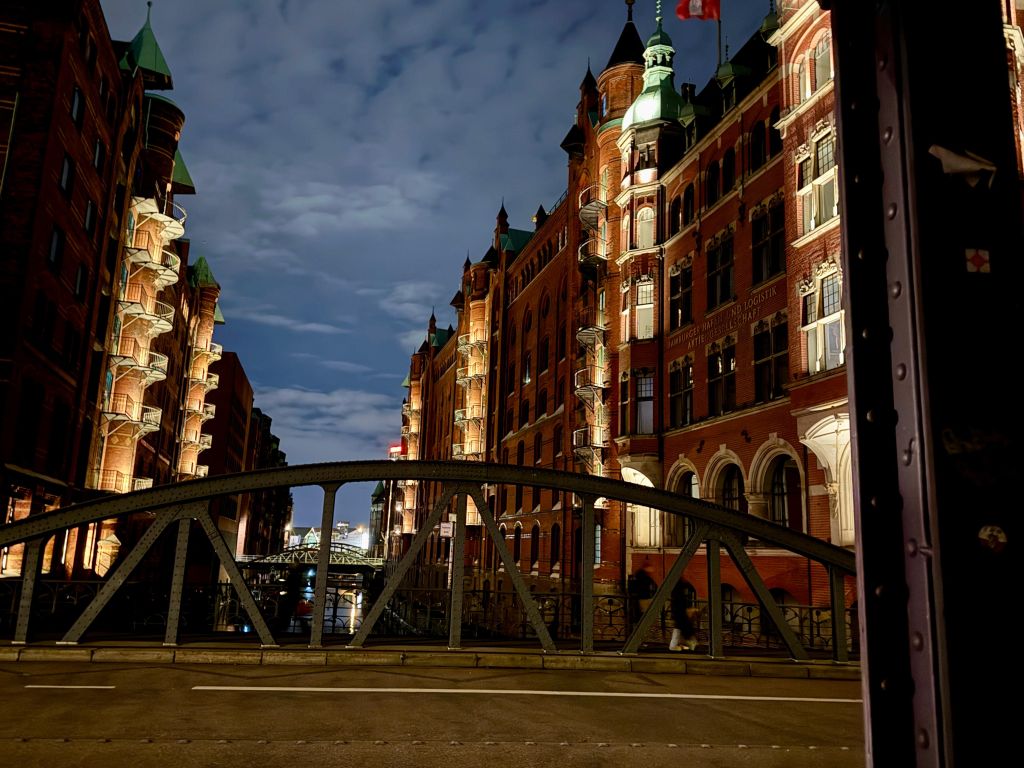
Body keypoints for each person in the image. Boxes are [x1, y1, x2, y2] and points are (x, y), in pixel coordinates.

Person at [669, 579, 698, 651]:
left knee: (680, 627)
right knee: (680, 627)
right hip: (679, 611)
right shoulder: (678, 590)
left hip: (679, 611)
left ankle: (679, 644)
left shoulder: (676, 590)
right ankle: (675, 645)